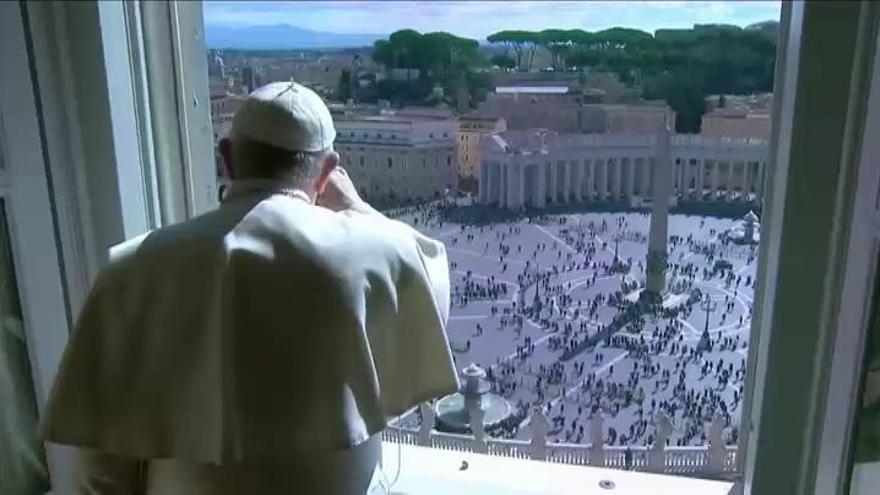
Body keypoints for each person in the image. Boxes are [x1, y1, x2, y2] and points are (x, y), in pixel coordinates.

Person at [40, 82, 459, 494]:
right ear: (329, 171)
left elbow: (102, 462)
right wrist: (355, 207)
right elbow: (431, 292)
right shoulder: (377, 250)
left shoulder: (131, 268)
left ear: (226, 158)